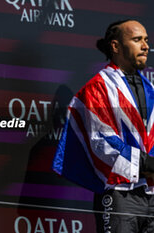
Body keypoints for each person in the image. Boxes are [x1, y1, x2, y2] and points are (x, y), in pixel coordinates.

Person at [52, 19, 154, 232]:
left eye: (146, 40)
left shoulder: (150, 88)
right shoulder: (97, 88)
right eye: (137, 40)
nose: (146, 46)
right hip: (120, 194)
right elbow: (102, 143)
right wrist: (148, 163)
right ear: (115, 46)